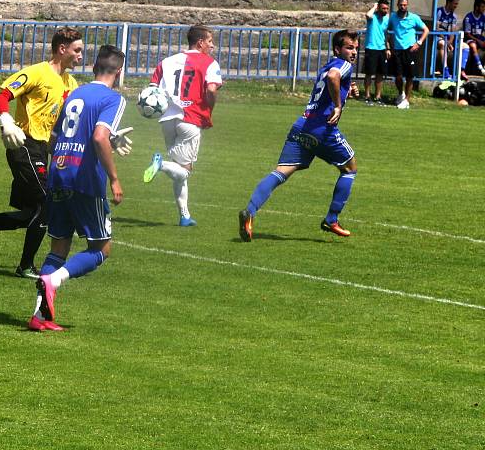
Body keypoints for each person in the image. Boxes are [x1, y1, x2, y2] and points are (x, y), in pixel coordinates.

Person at [0, 27, 84, 279]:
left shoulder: (71, 83)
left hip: (42, 150)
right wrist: (6, 121)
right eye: (77, 50)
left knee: (30, 215)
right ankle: (25, 266)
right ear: (62, 49)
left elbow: (70, 121)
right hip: (23, 145)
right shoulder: (36, 72)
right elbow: (2, 96)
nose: (81, 56)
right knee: (47, 203)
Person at [30, 45, 127, 332]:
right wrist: (114, 178)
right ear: (119, 71)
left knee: (58, 247)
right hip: (85, 180)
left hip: (59, 173)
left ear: (95, 66)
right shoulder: (113, 99)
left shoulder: (75, 93)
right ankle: (55, 280)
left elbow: (54, 137)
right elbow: (99, 137)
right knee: (101, 248)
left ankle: (39, 316)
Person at [238, 29, 360, 241]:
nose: (354, 52)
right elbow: (334, 78)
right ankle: (331, 219)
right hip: (323, 129)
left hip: (301, 125)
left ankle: (250, 211)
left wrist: (347, 90)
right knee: (350, 169)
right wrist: (339, 106)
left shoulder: (326, 66)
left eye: (356, 48)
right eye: (349, 47)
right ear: (337, 49)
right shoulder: (343, 66)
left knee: (281, 172)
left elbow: (330, 80)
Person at [142, 24, 222, 226]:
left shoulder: (166, 62)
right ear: (200, 42)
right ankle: (160, 164)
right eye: (210, 41)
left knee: (179, 172)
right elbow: (211, 90)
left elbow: (152, 91)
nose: (212, 46)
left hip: (167, 119)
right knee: (184, 170)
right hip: (190, 118)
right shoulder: (209, 63)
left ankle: (184, 215)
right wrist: (209, 108)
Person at [387, 0, 428, 110]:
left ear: (407, 5)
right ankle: (401, 94)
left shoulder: (414, 17)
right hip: (397, 50)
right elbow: (386, 30)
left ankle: (406, 100)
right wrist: (388, 46)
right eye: (400, 5)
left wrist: (418, 43)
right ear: (397, 5)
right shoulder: (393, 17)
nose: (402, 7)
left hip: (410, 49)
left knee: (410, 76)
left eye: (404, 5)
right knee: (398, 76)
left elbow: (426, 30)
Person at [363, 0, 390, 105]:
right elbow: (368, 15)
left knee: (380, 74)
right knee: (369, 73)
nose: (385, 10)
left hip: (382, 49)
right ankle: (367, 95)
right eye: (383, 8)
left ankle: (378, 96)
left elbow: (386, 35)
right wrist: (374, 7)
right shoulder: (372, 17)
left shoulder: (387, 19)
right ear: (378, 8)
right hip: (371, 48)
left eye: (387, 8)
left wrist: (387, 48)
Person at [435, 0, 461, 80]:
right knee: (442, 44)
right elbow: (436, 29)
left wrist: (450, 42)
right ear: (449, 2)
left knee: (462, 47)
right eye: (455, 3)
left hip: (447, 39)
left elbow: (453, 31)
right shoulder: (439, 11)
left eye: (457, 4)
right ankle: (445, 71)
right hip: (437, 37)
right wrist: (446, 41)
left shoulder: (454, 16)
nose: (456, 6)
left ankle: (459, 71)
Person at [462, 0, 485, 75]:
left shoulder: (483, 17)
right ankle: (480, 67)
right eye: (482, 7)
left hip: (479, 38)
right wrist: (479, 41)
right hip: (470, 38)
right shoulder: (468, 17)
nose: (483, 9)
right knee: (473, 45)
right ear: (476, 7)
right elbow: (467, 34)